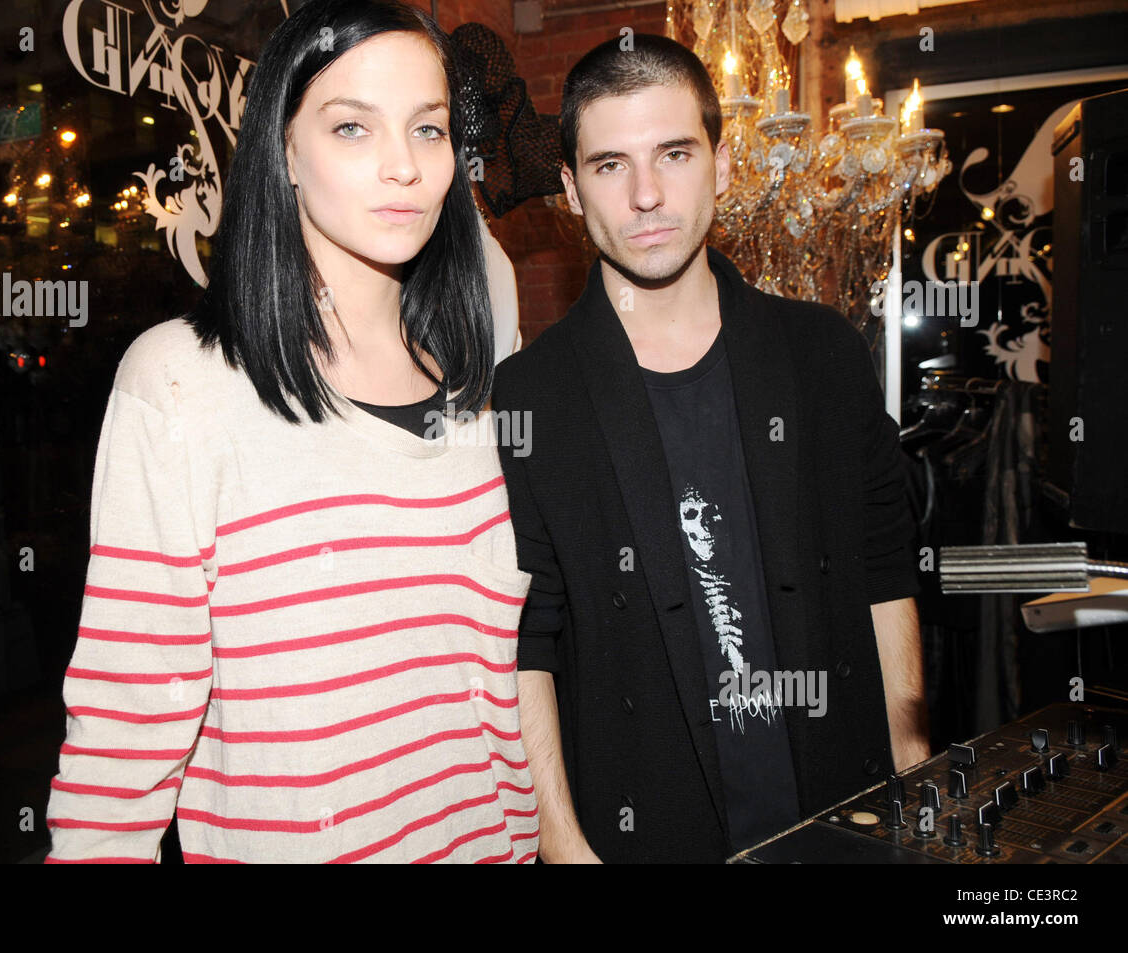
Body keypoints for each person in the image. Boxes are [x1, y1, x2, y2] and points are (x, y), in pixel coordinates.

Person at [45, 0, 538, 864]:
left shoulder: (478, 394)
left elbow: (498, 688)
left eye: (427, 131)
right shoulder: (181, 385)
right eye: (353, 127)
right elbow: (120, 748)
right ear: (284, 151)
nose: (403, 167)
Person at [491, 34, 929, 863]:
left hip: (842, 818)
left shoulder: (823, 354)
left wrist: (910, 757)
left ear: (723, 166)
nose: (647, 194)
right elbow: (530, 638)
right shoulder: (530, 397)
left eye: (674, 153)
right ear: (570, 189)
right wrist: (561, 842)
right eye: (611, 164)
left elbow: (883, 566)